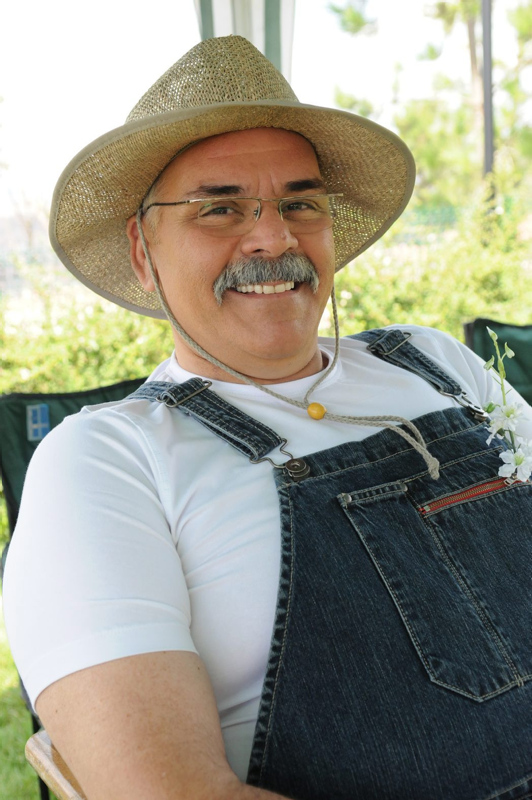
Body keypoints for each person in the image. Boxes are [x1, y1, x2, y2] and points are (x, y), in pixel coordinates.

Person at [4, 35, 532, 800]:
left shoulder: (434, 360)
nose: (274, 237)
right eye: (220, 208)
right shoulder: (108, 463)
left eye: (299, 204)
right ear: (143, 252)